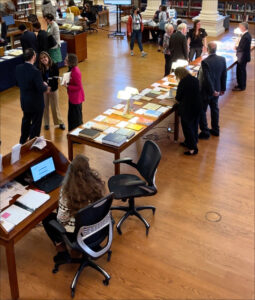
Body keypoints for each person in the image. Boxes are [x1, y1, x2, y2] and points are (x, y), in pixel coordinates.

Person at [42, 154, 106, 258]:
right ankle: (77, 249)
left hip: (75, 234)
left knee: (47, 219)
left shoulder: (67, 193)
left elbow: (61, 221)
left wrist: (61, 209)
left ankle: (61, 249)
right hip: (94, 228)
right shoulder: (96, 185)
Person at [16, 48, 50, 144]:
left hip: (25, 101)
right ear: (34, 57)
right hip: (36, 103)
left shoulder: (18, 68)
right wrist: (45, 85)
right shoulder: (35, 72)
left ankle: (22, 141)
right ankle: (33, 142)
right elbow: (41, 88)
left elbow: (18, 83)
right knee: (36, 124)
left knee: (26, 120)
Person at [198, 41, 227, 139]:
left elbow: (207, 78)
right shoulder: (222, 59)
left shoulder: (205, 62)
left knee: (202, 111)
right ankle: (215, 129)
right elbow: (224, 75)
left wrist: (212, 91)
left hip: (207, 92)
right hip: (217, 89)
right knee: (214, 109)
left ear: (208, 50)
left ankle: (205, 132)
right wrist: (222, 88)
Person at [175, 67, 202, 155]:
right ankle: (192, 141)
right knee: (194, 125)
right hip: (197, 106)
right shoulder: (194, 79)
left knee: (187, 128)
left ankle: (192, 148)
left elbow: (178, 97)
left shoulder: (183, 82)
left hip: (187, 108)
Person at [38, 51, 65, 131]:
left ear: (48, 57)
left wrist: (49, 87)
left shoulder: (54, 66)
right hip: (44, 90)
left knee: (55, 107)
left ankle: (59, 122)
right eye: (41, 58)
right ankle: (46, 123)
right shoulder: (40, 68)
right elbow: (40, 79)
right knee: (45, 107)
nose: (43, 59)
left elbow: (55, 79)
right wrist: (44, 86)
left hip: (53, 89)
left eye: (45, 57)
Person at [64, 53, 85, 131]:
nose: (64, 61)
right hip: (72, 97)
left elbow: (78, 86)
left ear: (71, 61)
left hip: (76, 98)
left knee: (76, 118)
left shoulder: (75, 71)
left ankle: (77, 135)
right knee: (72, 117)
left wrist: (68, 86)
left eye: (66, 60)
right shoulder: (71, 69)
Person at [232, 22, 252, 91]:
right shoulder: (246, 35)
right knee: (241, 71)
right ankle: (241, 84)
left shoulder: (246, 36)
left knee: (241, 72)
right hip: (243, 56)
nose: (239, 28)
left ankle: (241, 86)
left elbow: (242, 48)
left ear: (243, 28)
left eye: (240, 27)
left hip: (242, 57)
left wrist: (236, 48)